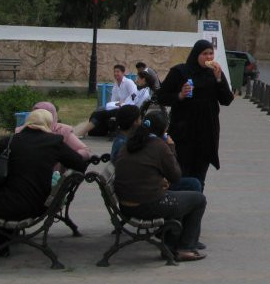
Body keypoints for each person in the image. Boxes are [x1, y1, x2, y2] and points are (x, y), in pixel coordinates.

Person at [0, 109, 90, 250]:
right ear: (48, 123)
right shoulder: (54, 142)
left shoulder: (9, 142)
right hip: (37, 201)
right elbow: (78, 162)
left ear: (27, 122)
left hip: (14, 202)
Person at [113, 110, 207, 262]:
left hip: (126, 204)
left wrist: (158, 181)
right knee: (199, 200)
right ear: (163, 129)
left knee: (182, 196)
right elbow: (176, 176)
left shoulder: (131, 142)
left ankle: (170, 245)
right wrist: (170, 147)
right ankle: (186, 247)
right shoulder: (158, 145)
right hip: (147, 204)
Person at [157, 40, 233, 189]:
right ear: (196, 55)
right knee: (181, 172)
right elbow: (162, 97)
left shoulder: (215, 73)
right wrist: (180, 95)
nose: (209, 57)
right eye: (204, 54)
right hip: (183, 132)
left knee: (200, 174)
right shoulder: (180, 72)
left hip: (206, 132)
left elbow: (226, 100)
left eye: (211, 53)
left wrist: (219, 79)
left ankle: (196, 205)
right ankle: (181, 205)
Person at [15, 101, 91, 164]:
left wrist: (64, 158)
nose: (40, 118)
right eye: (37, 114)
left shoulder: (62, 131)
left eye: (44, 115)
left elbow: (85, 151)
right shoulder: (20, 132)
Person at [79, 64, 140, 137]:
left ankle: (82, 133)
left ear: (123, 73)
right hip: (117, 108)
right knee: (97, 111)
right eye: (114, 72)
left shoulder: (128, 82)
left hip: (127, 110)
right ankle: (94, 132)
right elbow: (113, 101)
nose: (115, 74)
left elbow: (134, 96)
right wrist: (116, 104)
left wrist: (124, 102)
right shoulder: (115, 85)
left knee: (98, 114)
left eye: (118, 72)